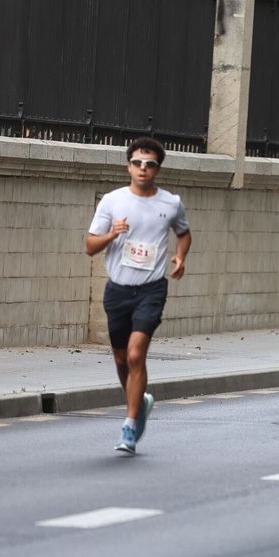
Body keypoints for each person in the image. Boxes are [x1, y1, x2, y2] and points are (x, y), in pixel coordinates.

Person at [84, 137, 191, 455]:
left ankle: (129, 425)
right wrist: (111, 234)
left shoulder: (170, 203)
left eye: (150, 164)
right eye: (137, 163)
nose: (143, 169)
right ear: (128, 165)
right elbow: (89, 246)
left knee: (134, 355)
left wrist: (180, 257)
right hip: (118, 289)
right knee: (120, 359)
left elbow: (183, 233)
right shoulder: (112, 202)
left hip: (151, 289)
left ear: (158, 168)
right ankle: (140, 400)